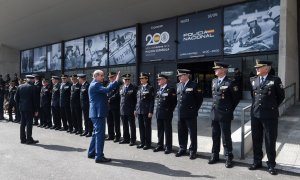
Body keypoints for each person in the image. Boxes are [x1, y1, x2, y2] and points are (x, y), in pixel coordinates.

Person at [248, 60, 285, 175]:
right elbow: (253, 96)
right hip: (255, 115)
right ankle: (257, 161)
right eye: (256, 67)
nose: (257, 69)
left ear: (267, 68)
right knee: (256, 139)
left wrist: (271, 107)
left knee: (270, 140)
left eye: (259, 67)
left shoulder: (275, 80)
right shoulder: (253, 80)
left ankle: (271, 164)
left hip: (269, 115)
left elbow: (281, 97)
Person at [208, 62, 241, 168]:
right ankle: (215, 155)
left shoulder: (231, 82)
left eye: (217, 68)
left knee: (226, 137)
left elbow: (236, 98)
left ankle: (228, 157)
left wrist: (229, 109)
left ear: (223, 69)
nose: (215, 70)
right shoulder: (214, 81)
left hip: (225, 113)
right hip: (215, 113)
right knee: (215, 135)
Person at [87, 70, 120, 163]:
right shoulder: (95, 85)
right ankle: (99, 156)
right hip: (98, 113)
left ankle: (92, 152)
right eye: (101, 75)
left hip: (96, 113)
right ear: (96, 76)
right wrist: (116, 81)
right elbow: (107, 89)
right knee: (100, 135)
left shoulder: (95, 84)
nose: (103, 77)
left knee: (95, 133)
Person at [176, 69, 203, 160]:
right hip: (181, 113)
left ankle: (192, 150)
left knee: (192, 133)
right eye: (178, 76)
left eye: (181, 75)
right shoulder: (178, 85)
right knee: (181, 131)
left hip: (190, 113)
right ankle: (182, 148)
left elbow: (199, 100)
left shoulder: (194, 85)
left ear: (187, 75)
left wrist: (194, 110)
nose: (179, 77)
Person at [154, 73, 177, 154]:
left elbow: (174, 102)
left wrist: (169, 110)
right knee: (160, 130)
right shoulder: (159, 89)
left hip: (166, 113)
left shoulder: (170, 89)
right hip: (159, 113)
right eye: (158, 80)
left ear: (165, 80)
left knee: (167, 131)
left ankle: (168, 147)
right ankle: (160, 145)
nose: (158, 81)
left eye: (159, 79)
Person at [15, 75, 39, 144]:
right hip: (30, 108)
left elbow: (16, 98)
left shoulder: (20, 86)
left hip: (22, 108)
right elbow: (35, 100)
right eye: (34, 79)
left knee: (22, 123)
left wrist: (20, 105)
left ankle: (22, 139)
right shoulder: (33, 87)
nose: (34, 80)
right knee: (29, 123)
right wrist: (36, 110)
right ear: (32, 80)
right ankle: (29, 139)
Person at [135, 72, 155, 150]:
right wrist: (135, 109)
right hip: (139, 110)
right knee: (141, 127)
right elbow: (137, 100)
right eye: (140, 78)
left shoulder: (150, 88)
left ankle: (148, 143)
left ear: (147, 79)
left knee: (147, 127)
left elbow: (151, 101)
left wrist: (150, 111)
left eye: (142, 78)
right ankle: (142, 142)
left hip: (146, 111)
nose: (141, 80)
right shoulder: (139, 87)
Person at [119, 74, 137, 146]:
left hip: (130, 109)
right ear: (123, 80)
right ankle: (126, 138)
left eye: (128, 79)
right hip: (123, 109)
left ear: (130, 80)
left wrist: (135, 109)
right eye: (125, 79)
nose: (127, 81)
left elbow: (136, 100)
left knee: (132, 125)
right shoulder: (121, 87)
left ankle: (133, 140)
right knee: (124, 125)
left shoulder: (134, 87)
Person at [106, 72, 121, 142]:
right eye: (109, 77)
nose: (110, 78)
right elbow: (106, 93)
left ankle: (117, 136)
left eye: (112, 77)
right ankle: (110, 135)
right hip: (108, 106)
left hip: (115, 106)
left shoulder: (118, 84)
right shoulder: (108, 84)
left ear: (115, 77)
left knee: (116, 122)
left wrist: (110, 99)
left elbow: (117, 94)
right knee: (109, 121)